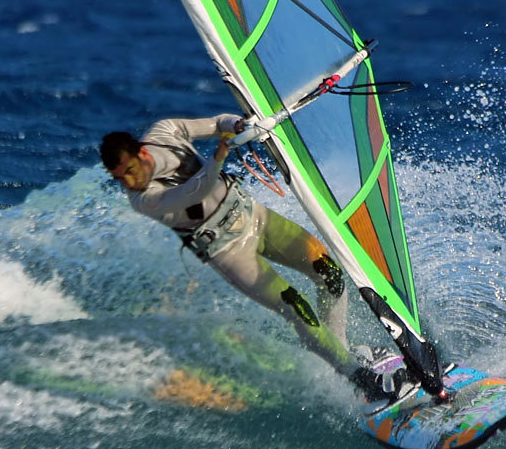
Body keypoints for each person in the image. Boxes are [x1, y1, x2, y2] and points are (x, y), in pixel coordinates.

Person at [99, 113, 394, 402]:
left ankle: (341, 349)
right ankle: (358, 377)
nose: (127, 182)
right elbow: (196, 190)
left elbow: (216, 124)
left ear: (142, 152)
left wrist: (238, 125)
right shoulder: (143, 200)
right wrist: (219, 155)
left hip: (250, 214)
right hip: (227, 250)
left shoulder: (165, 133)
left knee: (328, 270)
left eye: (129, 170)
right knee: (296, 306)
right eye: (118, 178)